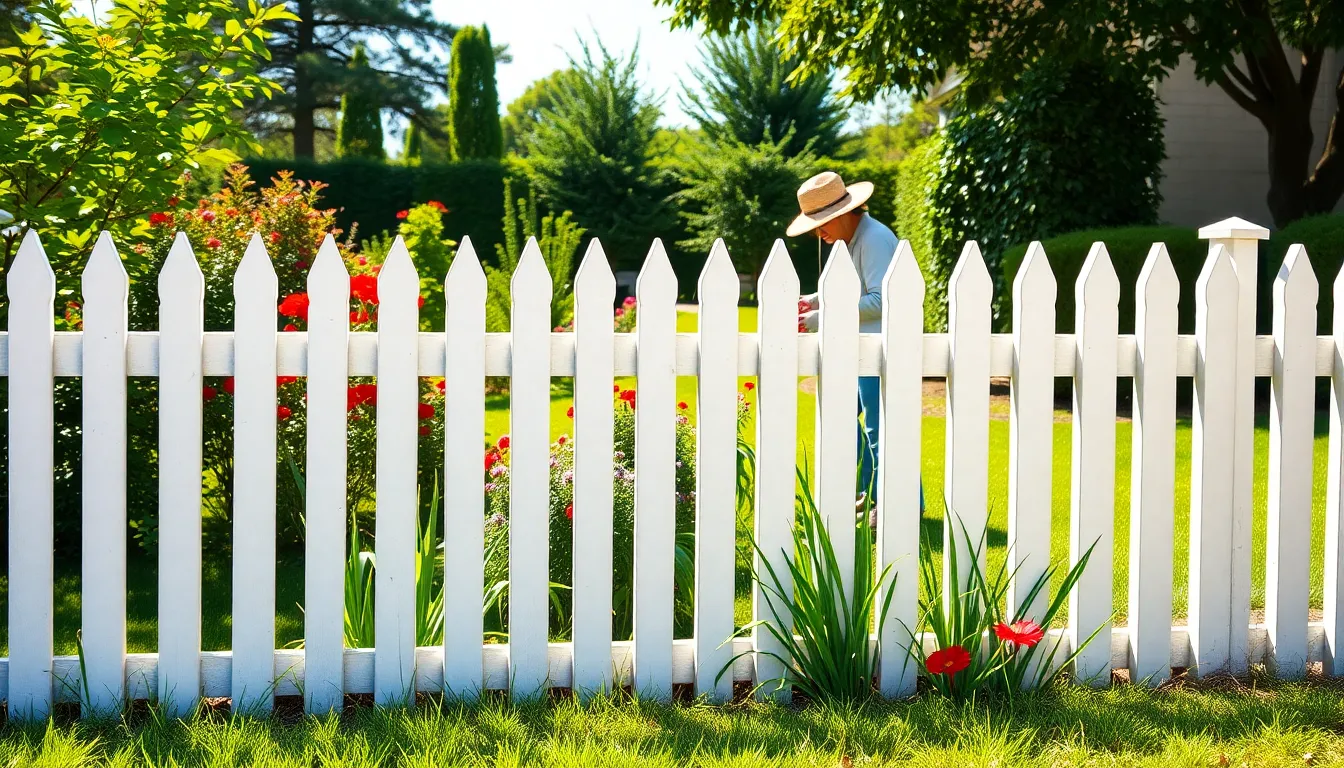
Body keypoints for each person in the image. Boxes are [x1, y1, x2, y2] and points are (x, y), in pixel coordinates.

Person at [787, 171, 923, 519]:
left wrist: (824, 316)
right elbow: (851, 290)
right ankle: (875, 494)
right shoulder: (851, 240)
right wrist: (814, 300)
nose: (818, 232)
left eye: (821, 223)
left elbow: (881, 301)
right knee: (848, 420)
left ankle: (899, 504)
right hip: (863, 349)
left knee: (881, 429)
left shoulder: (873, 239)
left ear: (844, 212)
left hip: (882, 351)